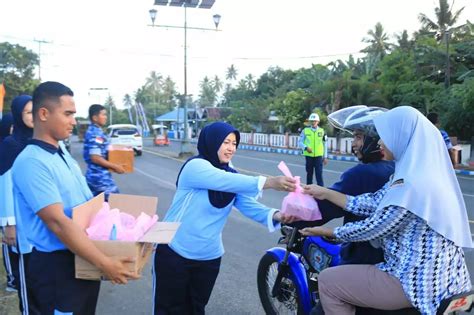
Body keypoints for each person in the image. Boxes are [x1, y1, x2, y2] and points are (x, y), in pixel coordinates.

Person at [300, 106, 472, 315]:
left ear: (402, 137)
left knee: (328, 281)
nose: (380, 142)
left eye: (385, 136)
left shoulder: (411, 183)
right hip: (449, 276)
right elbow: (373, 202)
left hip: (416, 280)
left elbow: (374, 227)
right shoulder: (419, 174)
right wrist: (326, 193)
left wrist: (328, 232)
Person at [12, 81, 138, 314]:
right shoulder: (32, 161)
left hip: (81, 257)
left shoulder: (62, 154)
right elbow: (57, 223)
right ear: (44, 114)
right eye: (68, 114)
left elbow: (86, 206)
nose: (73, 121)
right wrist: (104, 262)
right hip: (56, 269)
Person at [153, 121, 298, 315]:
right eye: (226, 142)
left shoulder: (229, 173)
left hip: (208, 256)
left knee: (196, 309)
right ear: (212, 142)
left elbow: (247, 204)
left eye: (234, 143)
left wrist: (278, 215)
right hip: (174, 251)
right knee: (169, 310)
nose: (231, 148)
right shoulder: (195, 167)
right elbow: (225, 181)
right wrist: (270, 182)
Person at [0, 96, 36, 313]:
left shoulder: (40, 141)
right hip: (19, 217)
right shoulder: (10, 145)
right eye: (28, 113)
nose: (34, 117)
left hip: (39, 217)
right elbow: (4, 184)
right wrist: (8, 223)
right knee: (26, 276)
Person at [83, 104, 124, 199]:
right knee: (114, 202)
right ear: (95, 117)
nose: (106, 117)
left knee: (98, 207)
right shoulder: (96, 134)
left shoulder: (95, 130)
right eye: (103, 115)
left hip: (95, 176)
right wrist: (115, 167)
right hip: (99, 178)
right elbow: (95, 157)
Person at [299, 112, 327, 186]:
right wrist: (305, 147)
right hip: (309, 156)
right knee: (309, 174)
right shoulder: (305, 131)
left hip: (318, 156)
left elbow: (325, 144)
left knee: (319, 174)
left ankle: (321, 191)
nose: (313, 122)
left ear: (318, 121)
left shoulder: (322, 131)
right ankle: (309, 189)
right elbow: (300, 142)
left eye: (315, 121)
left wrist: (325, 156)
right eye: (312, 121)